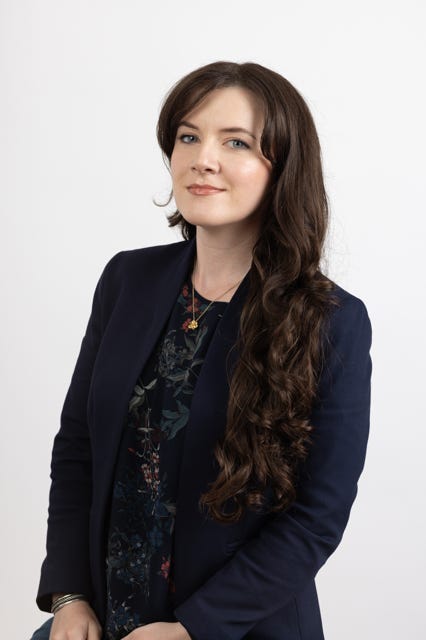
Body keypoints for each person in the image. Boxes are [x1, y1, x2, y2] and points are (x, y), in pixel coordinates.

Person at [30, 61, 372, 640]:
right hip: (99, 619)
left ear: (283, 167)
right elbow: (77, 449)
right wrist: (69, 596)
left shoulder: (330, 321)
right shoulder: (127, 280)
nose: (202, 159)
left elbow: (316, 518)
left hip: (229, 628)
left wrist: (191, 629)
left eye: (235, 142)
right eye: (188, 136)